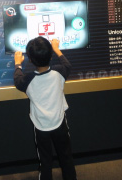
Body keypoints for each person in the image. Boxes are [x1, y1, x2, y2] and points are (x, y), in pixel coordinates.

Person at [14, 36, 77, 180]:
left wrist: (18, 64)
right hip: (60, 123)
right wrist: (57, 49)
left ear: (30, 59)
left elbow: (17, 80)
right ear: (50, 56)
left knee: (45, 161)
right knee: (66, 157)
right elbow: (68, 65)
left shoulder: (27, 80)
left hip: (41, 126)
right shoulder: (60, 71)